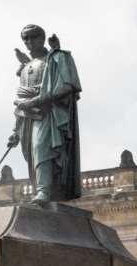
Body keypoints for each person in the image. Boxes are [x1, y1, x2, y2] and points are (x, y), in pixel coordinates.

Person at [6, 23, 82, 205]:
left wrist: (37, 100)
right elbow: (22, 99)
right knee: (32, 155)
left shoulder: (56, 59)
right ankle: (42, 189)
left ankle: (44, 191)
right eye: (26, 38)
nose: (30, 42)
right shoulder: (26, 68)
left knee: (42, 149)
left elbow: (66, 86)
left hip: (49, 114)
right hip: (28, 117)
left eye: (34, 37)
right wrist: (15, 131)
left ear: (42, 38)